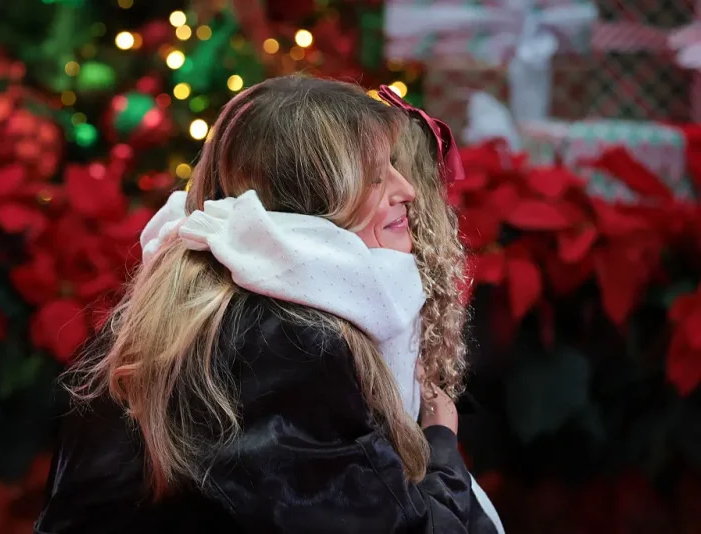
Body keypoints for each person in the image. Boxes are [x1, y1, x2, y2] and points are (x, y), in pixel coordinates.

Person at [34, 75, 503, 533]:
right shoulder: (290, 345)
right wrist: (441, 442)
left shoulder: (183, 302)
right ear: (316, 204)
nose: (409, 191)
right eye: (377, 178)